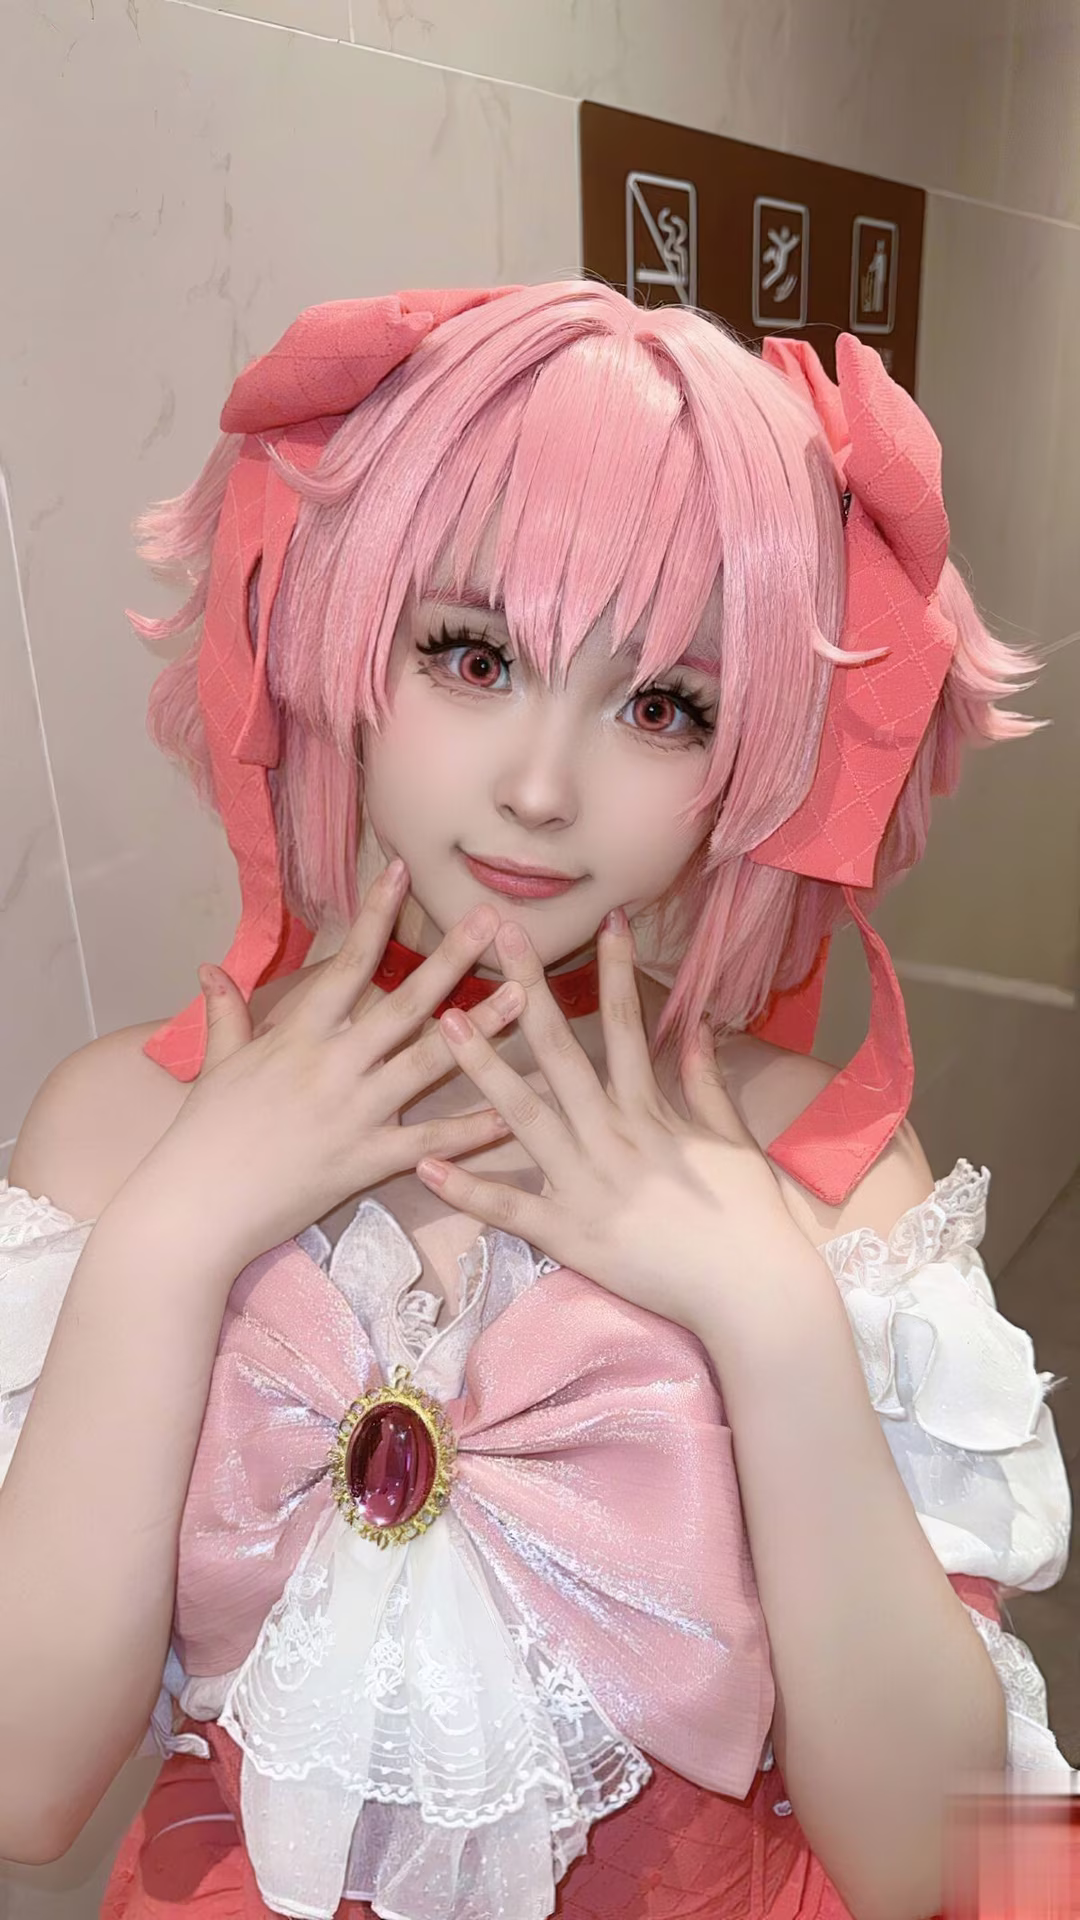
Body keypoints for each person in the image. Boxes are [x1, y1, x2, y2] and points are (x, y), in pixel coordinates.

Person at [0, 281, 1071, 1920]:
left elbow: (928, 1857)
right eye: (474, 654)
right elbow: (23, 1789)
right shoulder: (123, 1131)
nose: (542, 786)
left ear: (753, 758)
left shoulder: (819, 1179)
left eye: (663, 707)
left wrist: (769, 1316)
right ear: (342, 638)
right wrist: (168, 1246)